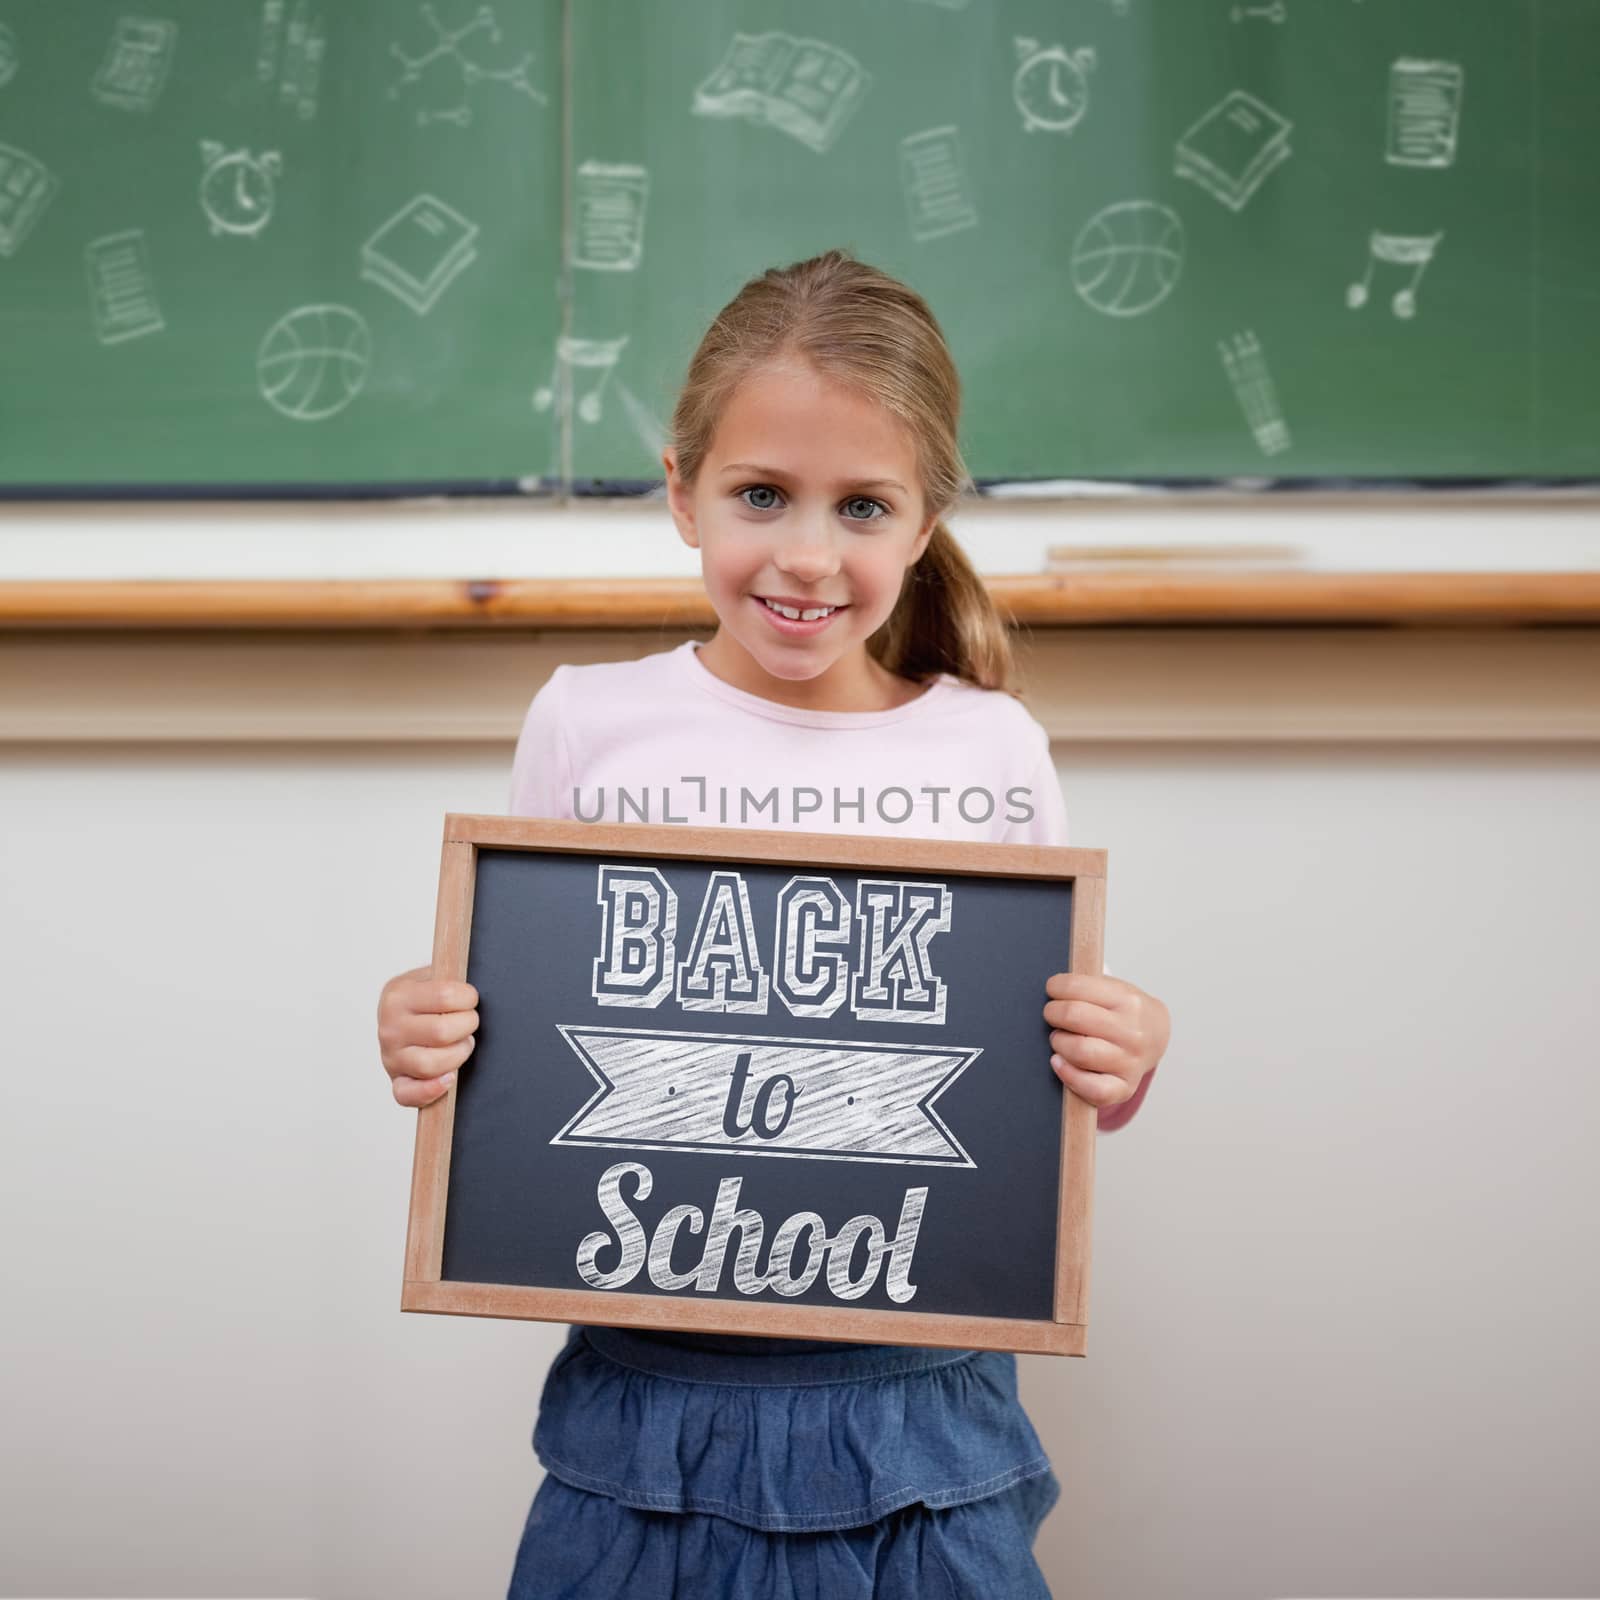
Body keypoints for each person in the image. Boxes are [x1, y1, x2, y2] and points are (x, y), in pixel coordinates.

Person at [376, 248, 1171, 1598]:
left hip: (920, 1411)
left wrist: (1123, 1056)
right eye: (762, 495)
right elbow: (510, 1019)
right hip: (644, 1407)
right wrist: (428, 1032)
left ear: (924, 525)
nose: (809, 556)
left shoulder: (989, 748)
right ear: (682, 494)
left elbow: (1046, 1093)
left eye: (863, 506)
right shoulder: (590, 720)